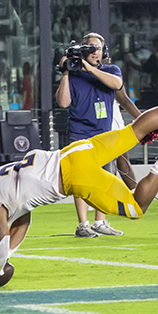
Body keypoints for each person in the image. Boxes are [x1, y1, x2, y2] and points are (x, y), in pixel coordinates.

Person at [0, 91, 158, 288]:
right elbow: (22, 219)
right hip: (75, 151)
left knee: (137, 208)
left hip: (74, 177)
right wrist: (7, 255)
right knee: (134, 130)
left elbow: (1, 241)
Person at [56, 32, 125, 238]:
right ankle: (83, 224)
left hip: (104, 134)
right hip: (79, 133)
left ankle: (100, 222)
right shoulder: (74, 75)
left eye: (97, 48)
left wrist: (89, 68)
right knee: (81, 179)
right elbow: (63, 102)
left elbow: (117, 85)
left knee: (106, 178)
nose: (94, 52)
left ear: (104, 51)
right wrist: (66, 72)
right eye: (89, 47)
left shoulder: (111, 70)